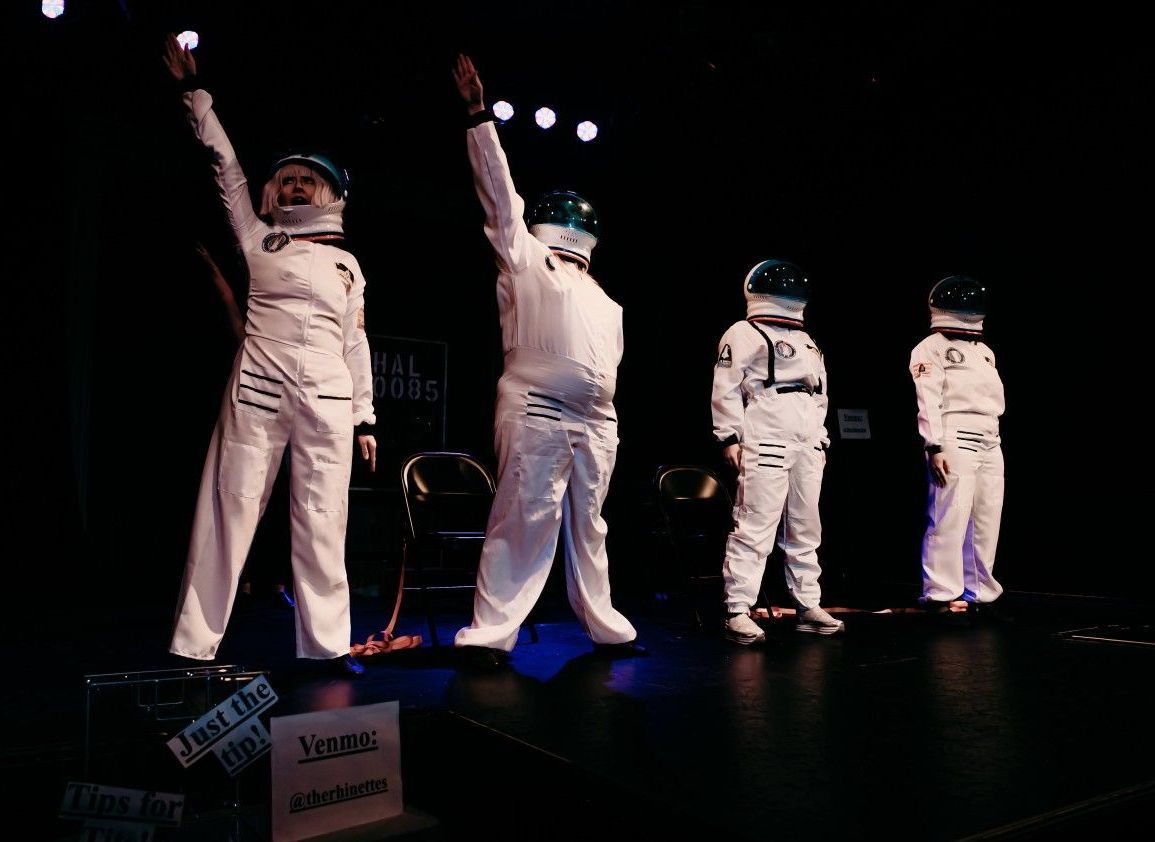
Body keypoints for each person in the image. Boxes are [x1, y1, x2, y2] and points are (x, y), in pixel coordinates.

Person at [163, 35, 376, 676]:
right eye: (284, 178)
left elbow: (355, 339)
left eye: (305, 178)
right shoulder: (259, 240)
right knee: (229, 504)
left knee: (323, 515)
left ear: (331, 192)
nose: (292, 184)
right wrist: (193, 93)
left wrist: (365, 416)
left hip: (330, 399)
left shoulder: (346, 263)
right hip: (260, 382)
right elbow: (224, 166)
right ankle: (193, 645)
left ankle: (326, 645)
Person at [450, 54, 645, 668]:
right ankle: (490, 632)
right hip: (536, 405)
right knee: (522, 517)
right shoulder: (526, 258)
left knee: (589, 525)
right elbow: (499, 195)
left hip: (597, 420)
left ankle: (604, 622)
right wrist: (480, 116)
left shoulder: (606, 298)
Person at [713, 259, 844, 645]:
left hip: (805, 438)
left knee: (806, 527)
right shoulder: (743, 332)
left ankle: (808, 603)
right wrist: (730, 437)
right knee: (756, 524)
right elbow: (726, 387)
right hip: (766, 432)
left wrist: (820, 439)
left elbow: (820, 394)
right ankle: (737, 608)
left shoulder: (807, 340)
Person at [193, 241, 297, 612]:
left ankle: (274, 582)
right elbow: (230, 309)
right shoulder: (249, 344)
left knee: (279, 508)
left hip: (282, 427)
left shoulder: (286, 352)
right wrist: (215, 269)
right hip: (251, 425)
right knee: (241, 503)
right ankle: (243, 582)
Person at [909, 275, 1007, 617]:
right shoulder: (930, 347)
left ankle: (979, 591)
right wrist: (934, 445)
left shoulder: (984, 352)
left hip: (990, 437)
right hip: (955, 436)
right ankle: (940, 592)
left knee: (985, 516)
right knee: (950, 516)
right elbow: (928, 398)